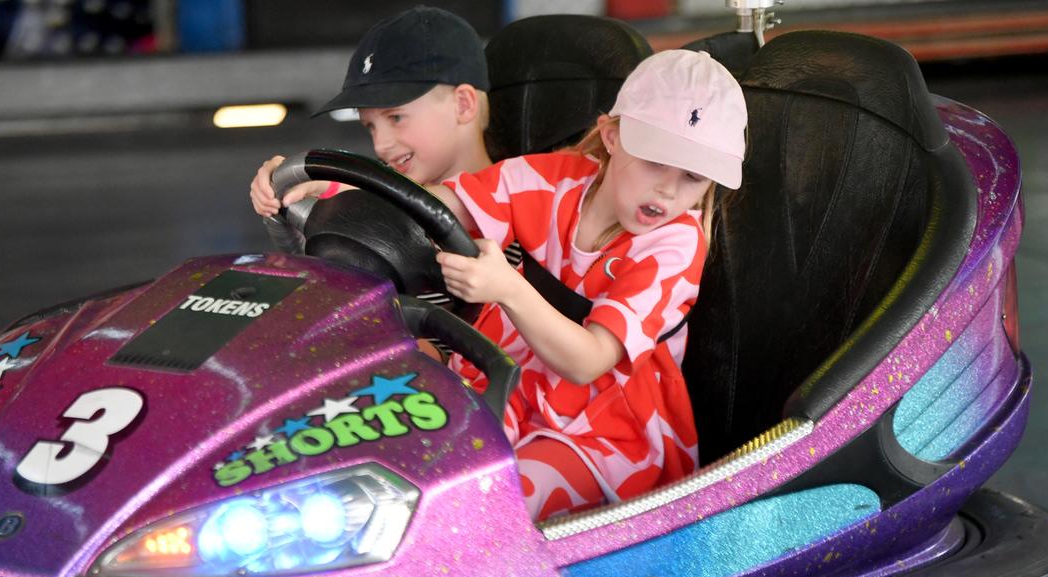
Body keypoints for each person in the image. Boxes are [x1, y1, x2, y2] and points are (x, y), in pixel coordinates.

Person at [426, 50, 747, 521]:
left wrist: (509, 290)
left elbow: (588, 362)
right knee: (425, 468)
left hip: (607, 430)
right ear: (613, 136)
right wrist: (337, 192)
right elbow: (445, 206)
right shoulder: (555, 179)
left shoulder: (675, 246)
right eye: (656, 162)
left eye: (692, 177)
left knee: (494, 502)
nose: (667, 191)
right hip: (513, 380)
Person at [249, 5, 492, 216]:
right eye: (370, 126)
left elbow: (422, 204)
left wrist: (329, 181)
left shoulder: (520, 192)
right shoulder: (390, 208)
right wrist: (293, 176)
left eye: (396, 117)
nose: (380, 146)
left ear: (463, 105)